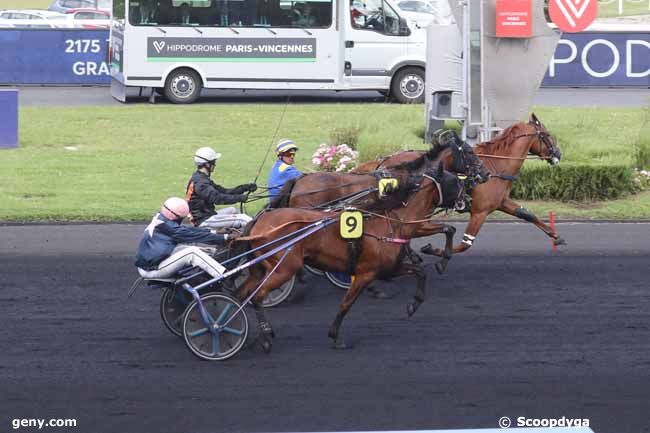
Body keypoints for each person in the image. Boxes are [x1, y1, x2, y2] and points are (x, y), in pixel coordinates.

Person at [135, 197, 235, 279]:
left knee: (188, 246)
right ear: (174, 215)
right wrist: (225, 237)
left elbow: (188, 231)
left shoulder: (161, 219)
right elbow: (193, 235)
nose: (181, 220)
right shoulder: (167, 226)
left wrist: (215, 232)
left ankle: (213, 262)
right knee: (192, 252)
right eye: (180, 218)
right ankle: (224, 275)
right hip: (152, 269)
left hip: (152, 262)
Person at [186, 147, 257, 230]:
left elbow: (224, 191)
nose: (215, 165)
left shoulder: (202, 178)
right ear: (207, 164)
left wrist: (245, 187)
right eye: (214, 162)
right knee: (243, 219)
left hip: (208, 215)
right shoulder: (201, 183)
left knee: (233, 210)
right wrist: (239, 198)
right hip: (203, 221)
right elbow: (218, 198)